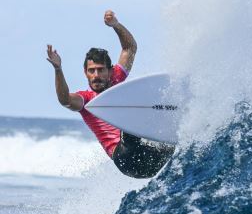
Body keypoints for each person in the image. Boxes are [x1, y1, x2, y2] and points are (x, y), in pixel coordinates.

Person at [46, 10, 174, 178]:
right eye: (91, 71)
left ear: (110, 71)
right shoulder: (86, 100)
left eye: (100, 70)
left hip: (150, 159)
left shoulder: (117, 80)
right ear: (85, 73)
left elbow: (130, 48)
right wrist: (58, 69)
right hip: (125, 159)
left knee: (171, 145)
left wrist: (115, 25)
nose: (96, 75)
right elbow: (65, 100)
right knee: (132, 112)